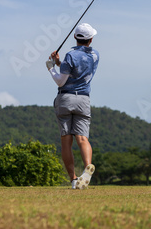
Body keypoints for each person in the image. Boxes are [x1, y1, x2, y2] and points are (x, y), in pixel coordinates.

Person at [46, 23, 99, 189]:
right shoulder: (95, 55)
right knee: (82, 138)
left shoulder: (71, 55)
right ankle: (87, 168)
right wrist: (59, 62)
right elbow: (76, 71)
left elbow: (62, 80)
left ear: (75, 37)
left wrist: (51, 68)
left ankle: (74, 179)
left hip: (66, 98)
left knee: (66, 140)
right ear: (90, 39)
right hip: (83, 99)